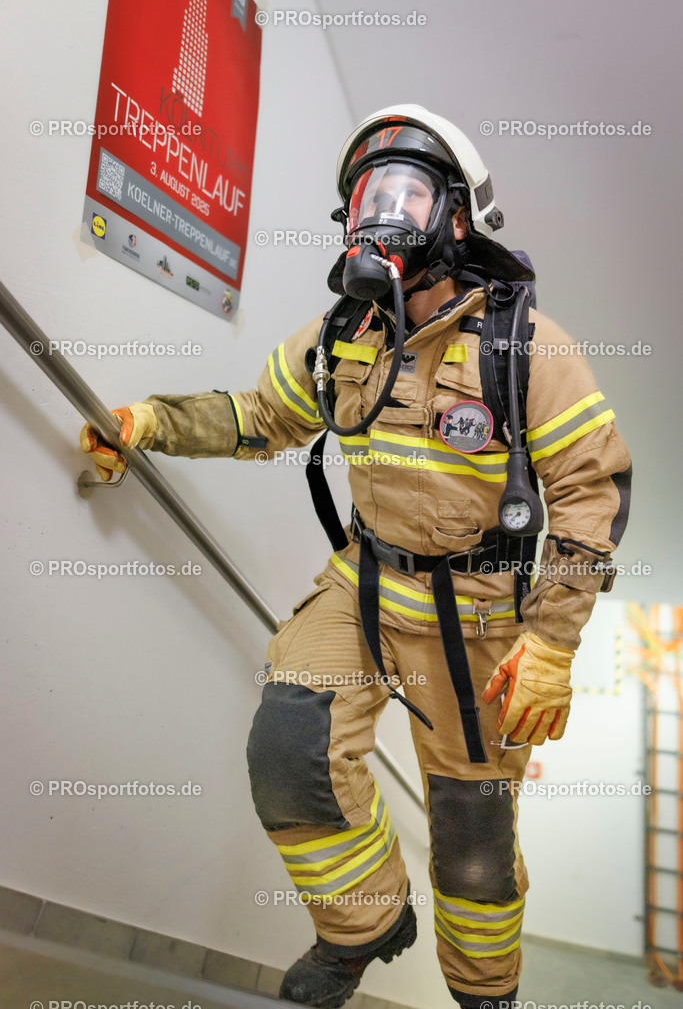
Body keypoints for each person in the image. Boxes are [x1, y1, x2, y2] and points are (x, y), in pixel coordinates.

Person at [81, 105, 632, 1009]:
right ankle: (365, 928)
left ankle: (485, 996)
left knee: (471, 841)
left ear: (457, 220)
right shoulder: (343, 334)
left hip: (481, 620)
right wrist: (148, 421)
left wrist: (558, 642)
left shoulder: (523, 344)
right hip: (367, 587)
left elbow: (591, 492)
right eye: (367, 196)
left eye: (408, 192)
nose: (382, 213)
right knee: (290, 750)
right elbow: (260, 417)